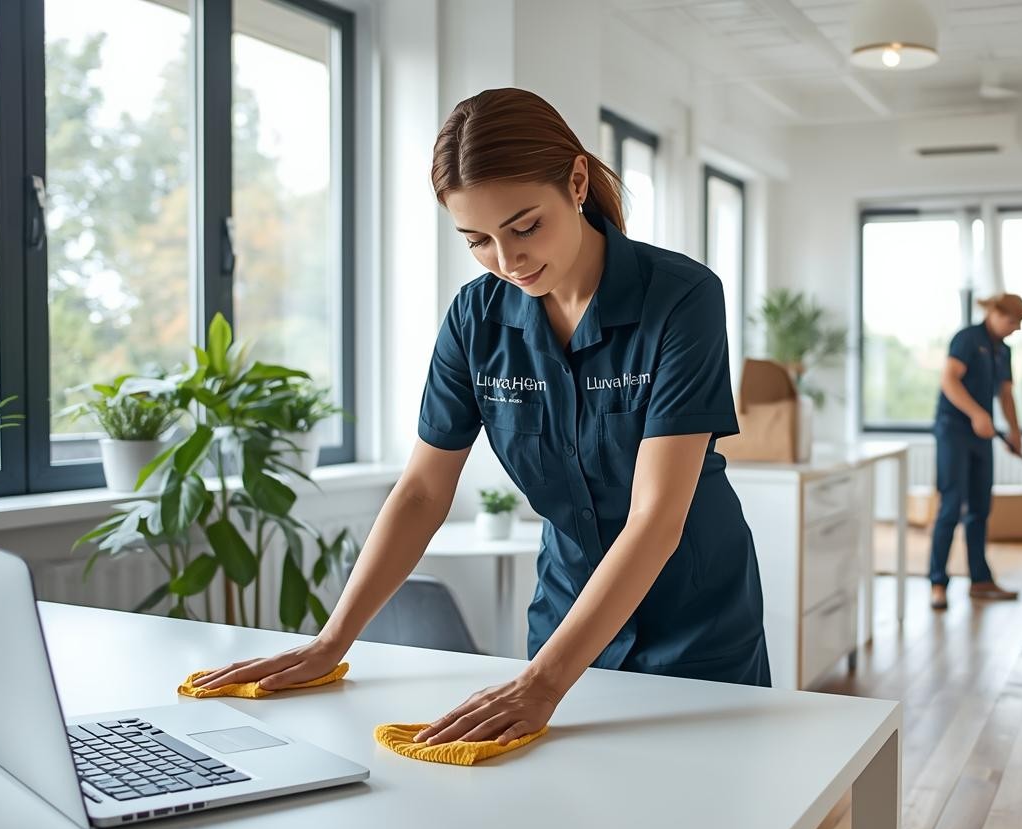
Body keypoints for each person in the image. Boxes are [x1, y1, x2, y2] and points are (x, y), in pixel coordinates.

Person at [191, 87, 770, 747]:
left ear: (577, 181)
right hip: (564, 618)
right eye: (478, 241)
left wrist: (541, 685)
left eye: (525, 227)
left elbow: (656, 518)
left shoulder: (682, 299)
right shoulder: (476, 320)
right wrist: (331, 641)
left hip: (695, 627)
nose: (508, 260)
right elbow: (421, 491)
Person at [928, 292, 1022, 610]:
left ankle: (980, 580)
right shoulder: (967, 339)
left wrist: (1014, 430)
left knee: (980, 507)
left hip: (982, 434)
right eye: (1012, 322)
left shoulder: (1003, 351)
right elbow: (949, 381)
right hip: (954, 431)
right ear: (996, 314)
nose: (1015, 329)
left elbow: (1006, 394)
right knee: (951, 505)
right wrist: (975, 413)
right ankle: (937, 583)